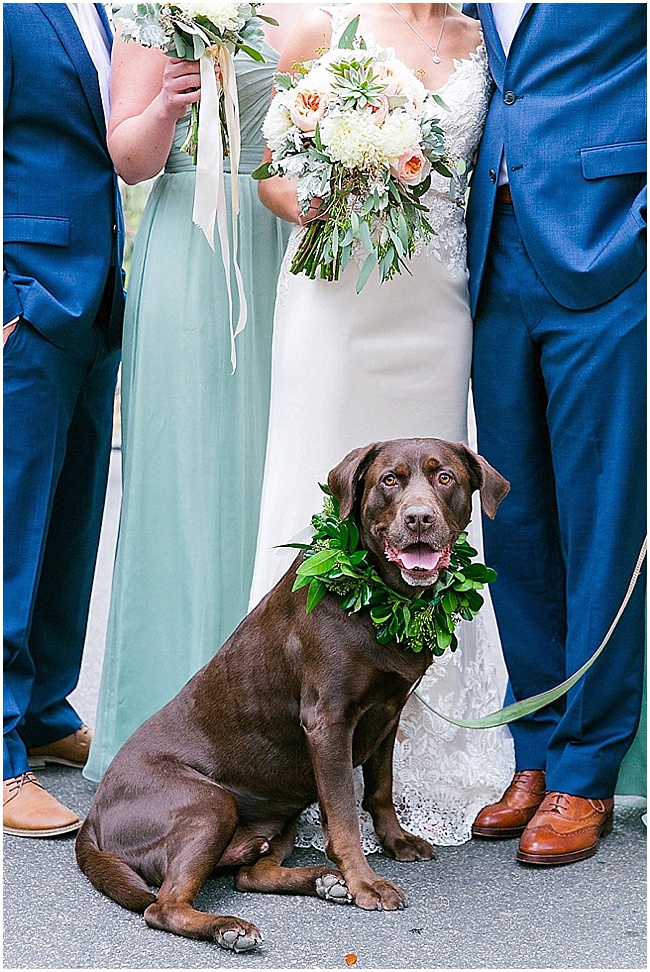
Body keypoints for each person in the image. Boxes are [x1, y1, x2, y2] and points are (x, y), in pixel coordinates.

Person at [249, 2, 515, 851]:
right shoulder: (324, 29)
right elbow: (269, 180)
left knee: (427, 507)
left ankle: (419, 748)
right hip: (338, 304)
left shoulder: (487, 41)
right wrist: (341, 190)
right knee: (324, 505)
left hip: (435, 306)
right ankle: (299, 742)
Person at [83, 7, 296, 782]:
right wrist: (165, 110)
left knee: (275, 470)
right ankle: (169, 728)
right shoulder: (162, 11)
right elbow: (129, 160)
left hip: (287, 240)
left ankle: (283, 731)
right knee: (187, 474)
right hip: (194, 242)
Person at [465, 3, 646, 864]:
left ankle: (588, 767)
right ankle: (534, 753)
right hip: (493, 249)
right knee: (515, 520)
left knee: (601, 519)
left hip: (608, 243)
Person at [3, 3, 124, 836]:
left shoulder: (104, 13)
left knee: (72, 519)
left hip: (93, 299)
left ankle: (44, 708)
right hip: (24, 296)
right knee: (8, 528)